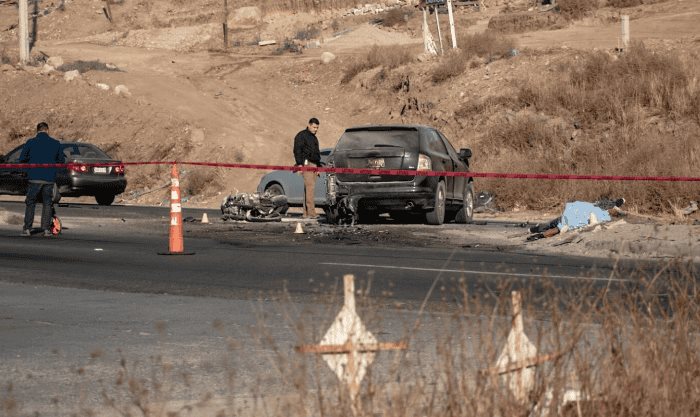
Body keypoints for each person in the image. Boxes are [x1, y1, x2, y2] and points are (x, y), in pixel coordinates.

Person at [19, 122, 65, 237]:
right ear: (47, 130)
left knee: (30, 203)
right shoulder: (56, 143)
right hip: (49, 178)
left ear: (37, 130)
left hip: (34, 178)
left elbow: (22, 158)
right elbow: (61, 160)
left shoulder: (30, 142)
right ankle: (46, 230)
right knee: (47, 203)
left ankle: (27, 229)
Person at [293, 117, 321, 219]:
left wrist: (317, 167)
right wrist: (299, 164)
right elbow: (297, 150)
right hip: (306, 164)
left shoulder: (314, 138)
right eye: (314, 127)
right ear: (309, 125)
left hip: (314, 164)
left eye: (317, 128)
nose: (316, 129)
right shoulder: (301, 136)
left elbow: (316, 153)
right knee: (310, 188)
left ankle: (306, 213)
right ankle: (311, 213)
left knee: (308, 189)